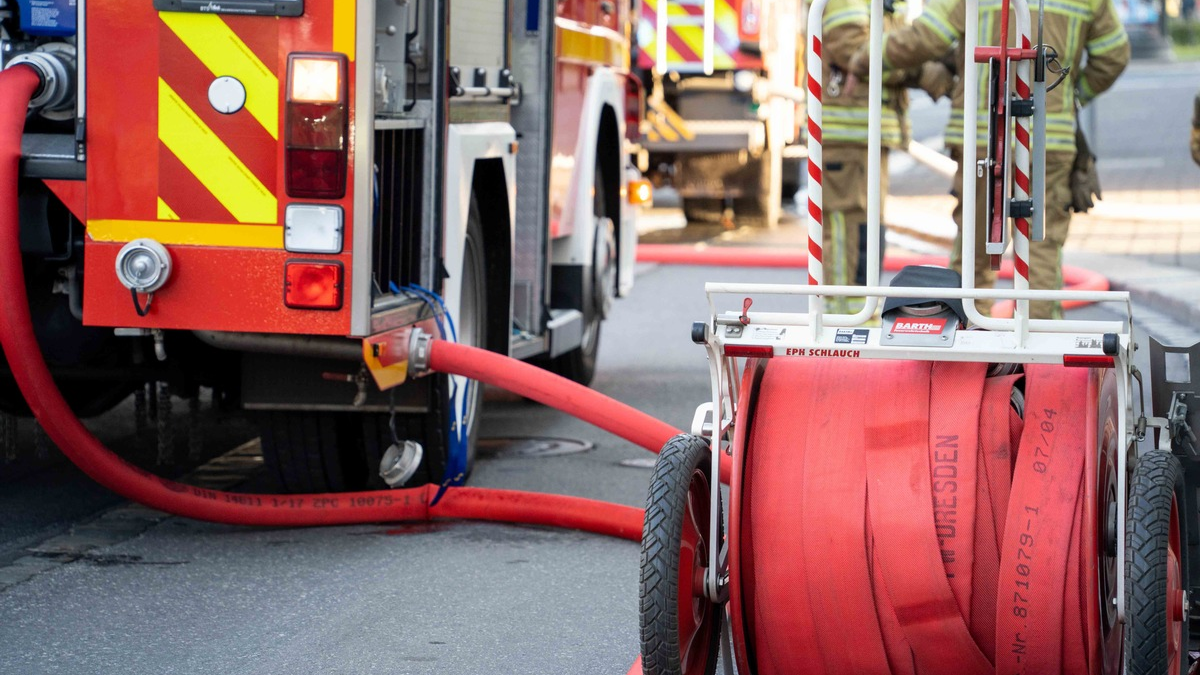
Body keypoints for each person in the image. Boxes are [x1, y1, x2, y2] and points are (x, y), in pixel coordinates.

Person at [852, 0, 1130, 319]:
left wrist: (865, 57)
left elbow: (926, 38)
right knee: (1040, 246)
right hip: (1047, 137)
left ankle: (968, 337)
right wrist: (1071, 94)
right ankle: (1038, 345)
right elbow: (1114, 54)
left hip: (982, 135)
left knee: (975, 247)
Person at [818, 0, 952, 313]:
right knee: (847, 224)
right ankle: (844, 315)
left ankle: (859, 308)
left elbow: (894, 50)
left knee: (867, 227)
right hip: (849, 134)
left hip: (867, 134)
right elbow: (858, 53)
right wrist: (926, 70)